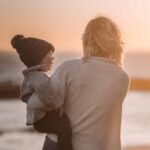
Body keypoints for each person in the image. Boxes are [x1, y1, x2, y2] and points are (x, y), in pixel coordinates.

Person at [27, 15, 130, 150]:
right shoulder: (122, 78)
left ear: (87, 40)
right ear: (115, 42)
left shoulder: (70, 68)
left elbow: (36, 104)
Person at [11, 35, 73, 150]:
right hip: (43, 119)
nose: (53, 59)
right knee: (65, 130)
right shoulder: (38, 78)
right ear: (37, 58)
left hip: (40, 119)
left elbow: (26, 96)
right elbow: (53, 100)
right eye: (49, 55)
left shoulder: (32, 76)